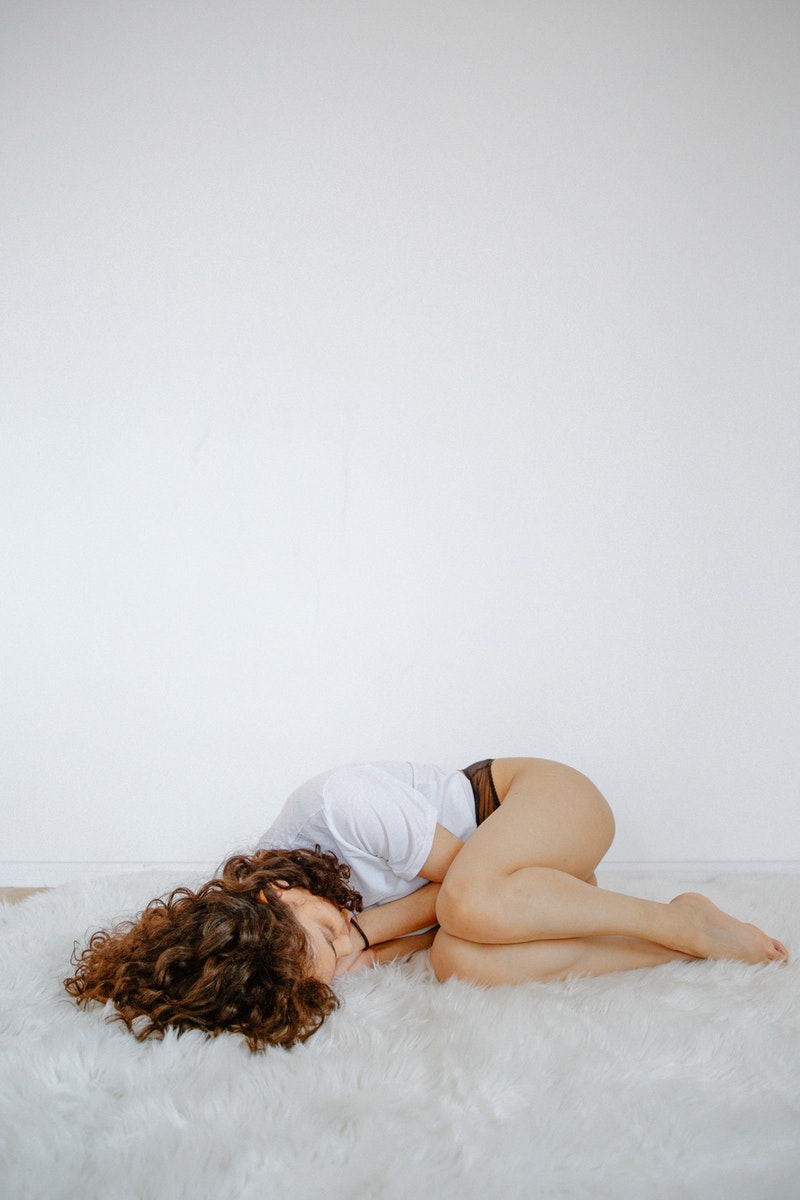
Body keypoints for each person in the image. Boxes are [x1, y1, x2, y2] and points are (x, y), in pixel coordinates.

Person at [65, 757, 788, 1051]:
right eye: (334, 966)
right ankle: (665, 946)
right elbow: (440, 929)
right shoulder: (296, 945)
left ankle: (675, 918)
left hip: (538, 803)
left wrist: (365, 931)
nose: (347, 951)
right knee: (457, 961)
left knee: (471, 905)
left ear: (275, 892)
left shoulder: (340, 808)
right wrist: (355, 947)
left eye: (329, 931)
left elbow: (459, 888)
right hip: (522, 890)